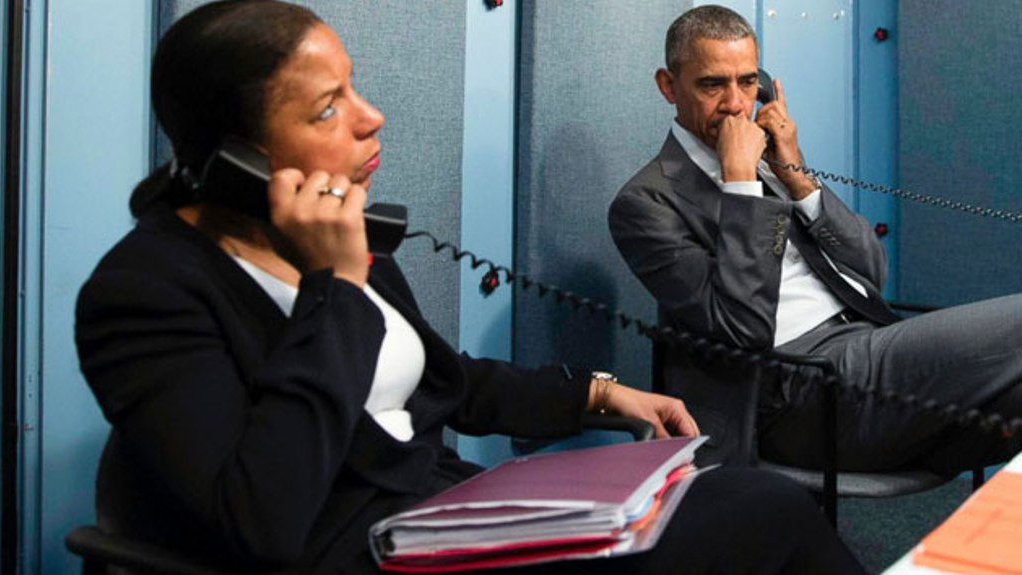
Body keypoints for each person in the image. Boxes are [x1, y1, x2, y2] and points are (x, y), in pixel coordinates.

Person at [75, 1, 866, 573]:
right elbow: (263, 518)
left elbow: (444, 380)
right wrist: (334, 288)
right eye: (327, 109)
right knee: (755, 522)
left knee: (758, 503)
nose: (371, 116)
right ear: (235, 157)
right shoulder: (147, 294)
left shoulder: (334, 239)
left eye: (354, 87)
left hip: (454, 512)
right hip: (363, 549)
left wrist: (601, 395)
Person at [609, 4, 1022, 475]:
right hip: (794, 394)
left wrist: (798, 178)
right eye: (712, 85)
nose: (736, 104)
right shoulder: (646, 203)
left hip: (864, 352)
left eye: (747, 82)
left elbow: (872, 268)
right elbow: (742, 330)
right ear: (669, 86)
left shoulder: (775, 168)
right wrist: (740, 183)